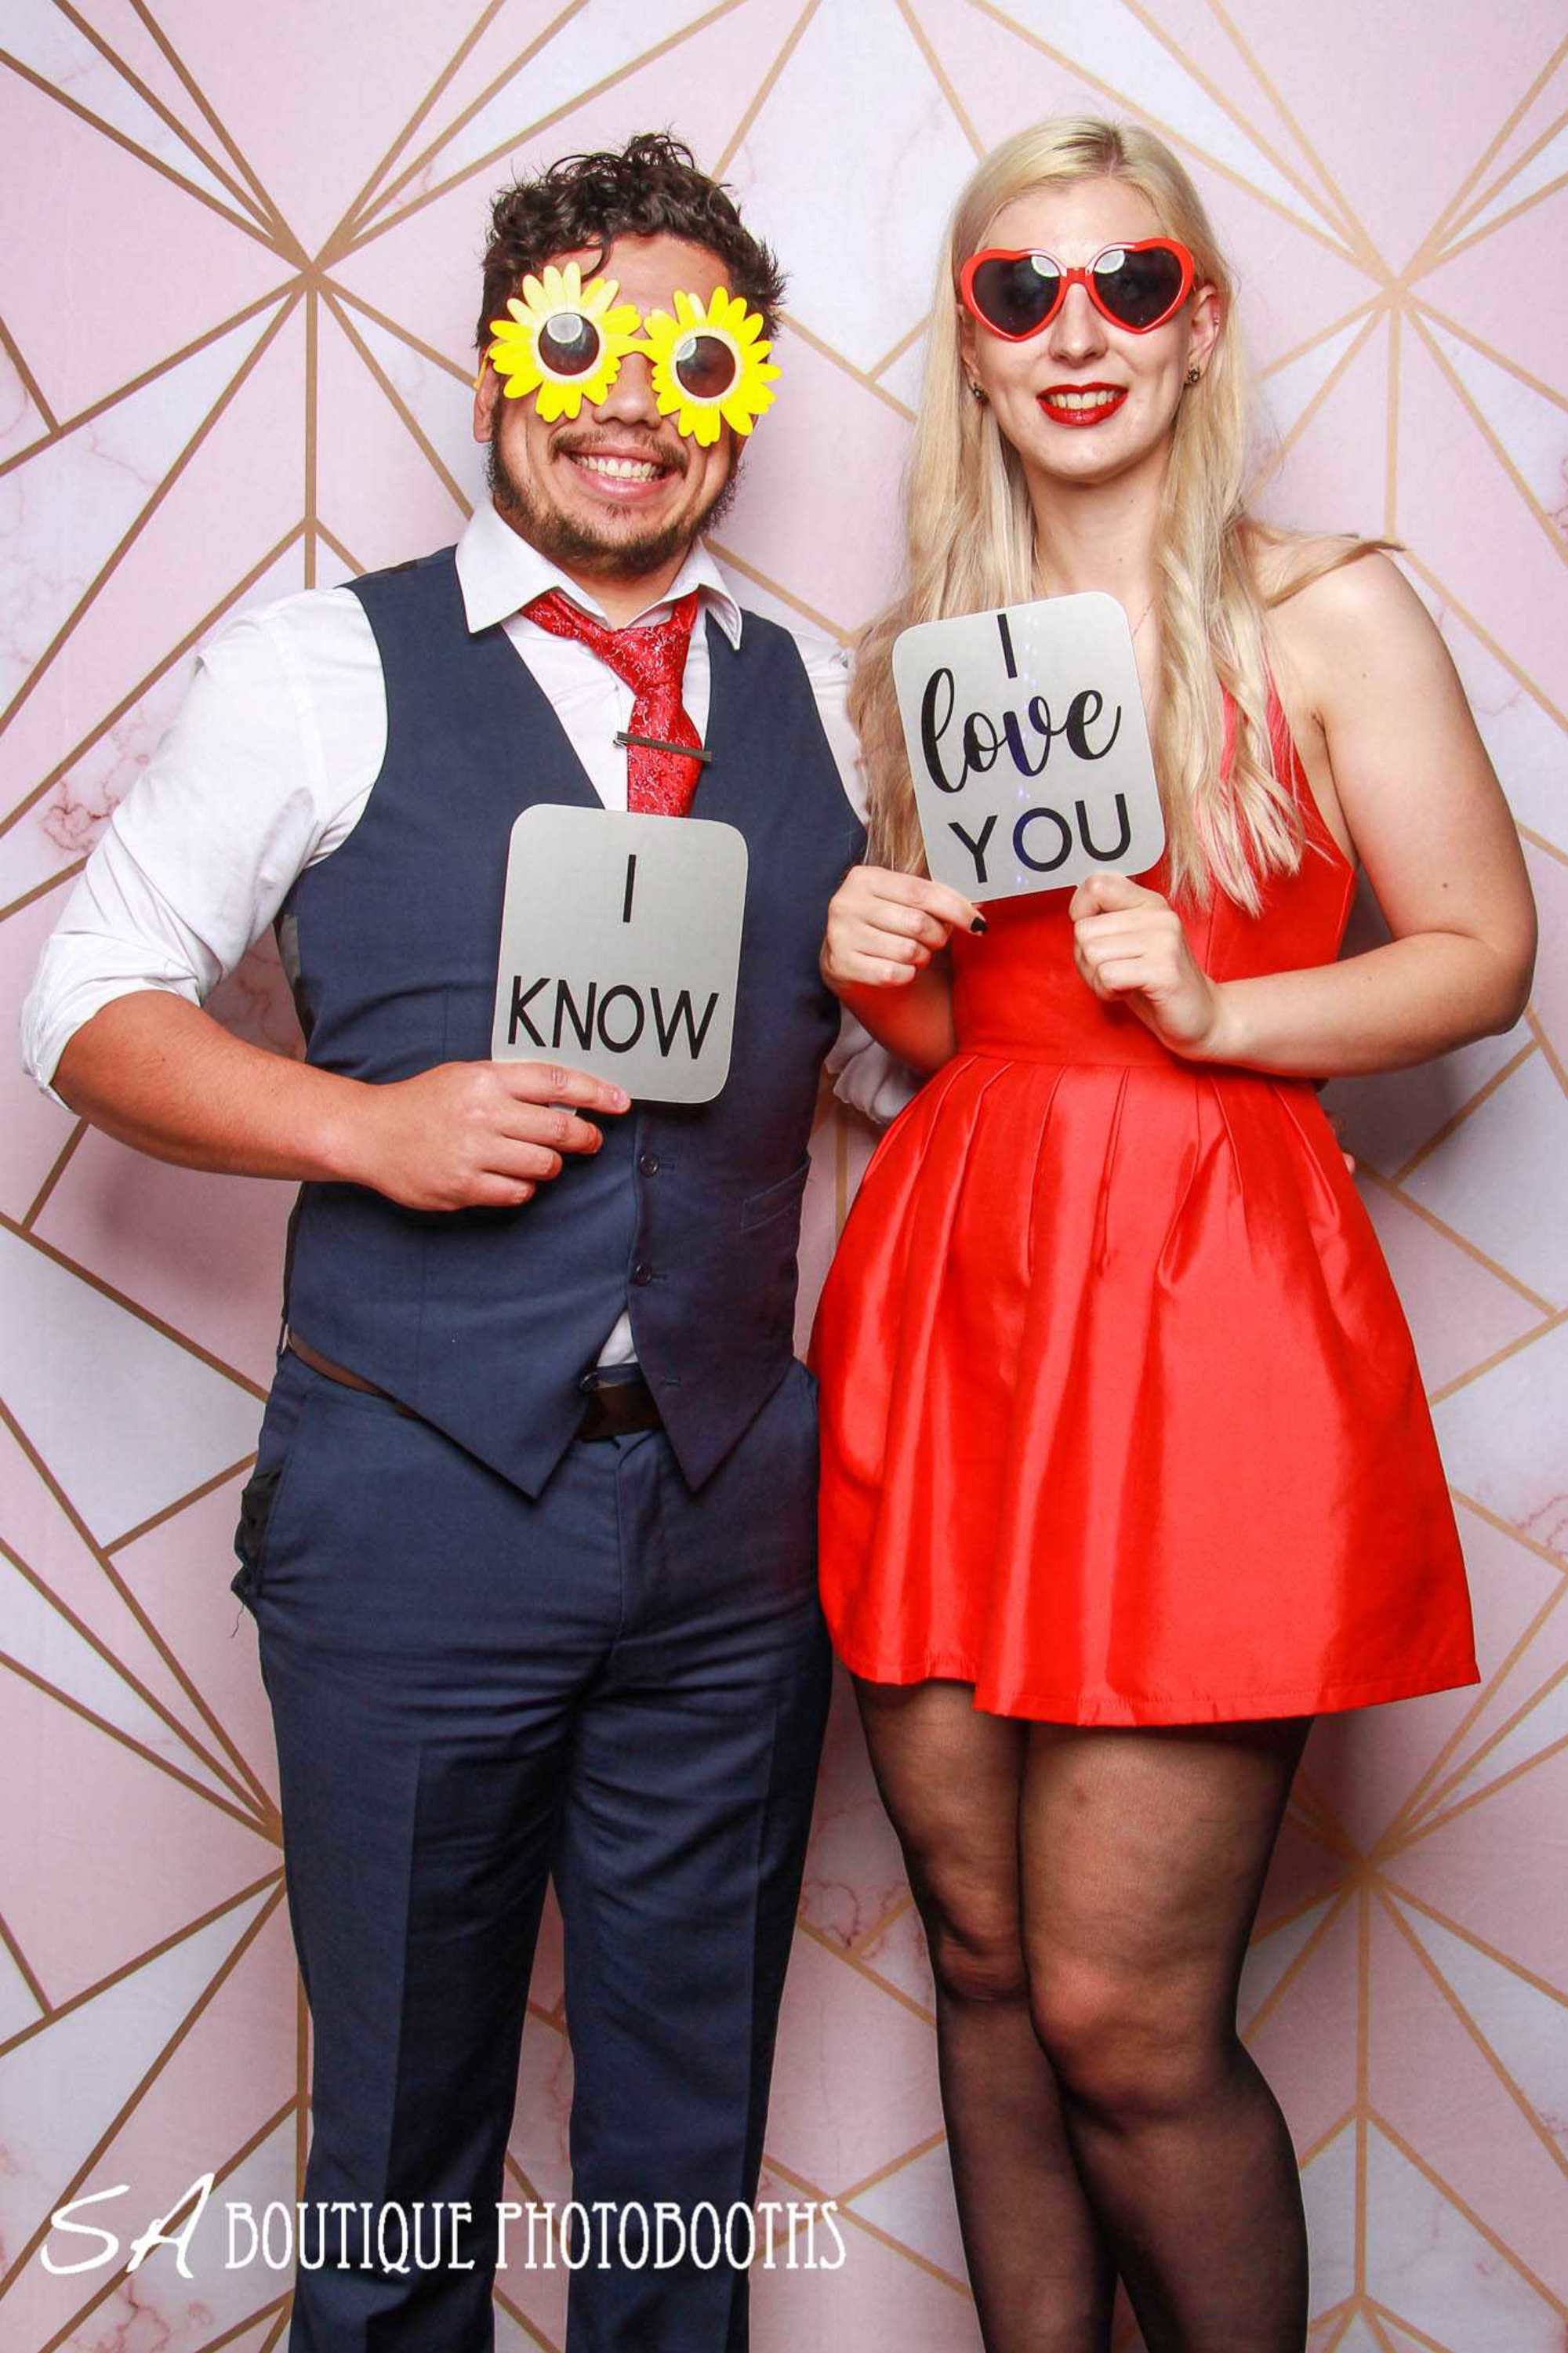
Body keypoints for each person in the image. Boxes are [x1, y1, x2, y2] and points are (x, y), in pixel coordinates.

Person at [22, 133, 890, 2353]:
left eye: (694, 352)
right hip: (413, 1500)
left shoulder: (810, 700)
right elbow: (85, 1001)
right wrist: (364, 1121)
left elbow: (894, 1072)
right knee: (402, 2143)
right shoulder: (323, 665)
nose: (634, 394)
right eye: (583, 336)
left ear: (744, 390)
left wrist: (920, 974)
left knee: (685, 2148)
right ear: (503, 361)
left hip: (728, 1520)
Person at [811, 118, 1537, 2353]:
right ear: (973, 346)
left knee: (1129, 2011)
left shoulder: (1328, 606)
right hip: (964, 1296)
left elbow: (1483, 953)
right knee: (993, 1955)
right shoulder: (940, 647)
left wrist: (1228, 1004)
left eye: (1132, 281)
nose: (1080, 331)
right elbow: (974, 1038)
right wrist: (879, 963)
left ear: (1200, 316)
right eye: (1021, 295)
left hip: (1211, 1302)